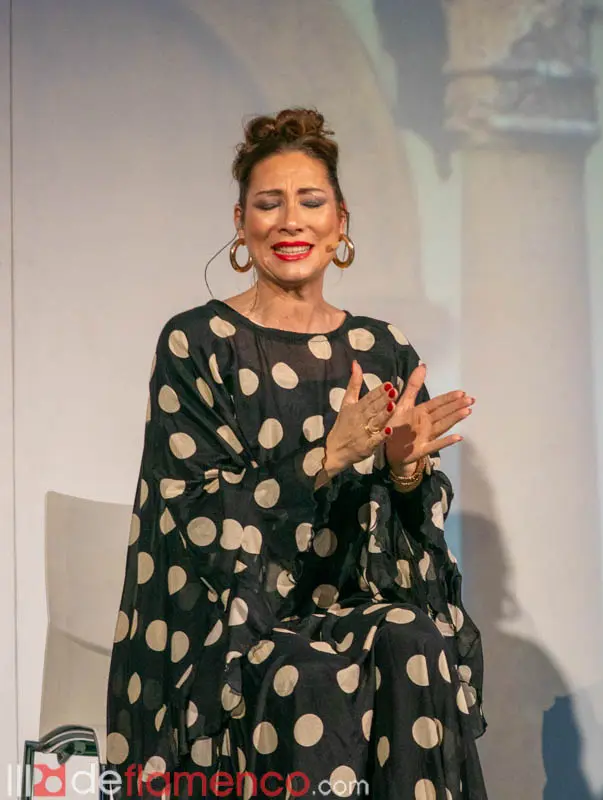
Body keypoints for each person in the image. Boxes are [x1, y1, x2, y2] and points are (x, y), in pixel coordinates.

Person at [105, 108, 487, 799]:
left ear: (341, 222)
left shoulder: (381, 350)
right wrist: (326, 458)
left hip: (348, 603)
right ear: (240, 223)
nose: (290, 221)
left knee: (413, 638)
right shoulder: (198, 343)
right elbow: (195, 517)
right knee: (305, 671)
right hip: (232, 621)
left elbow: (407, 551)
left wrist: (405, 475)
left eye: (311, 202)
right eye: (268, 203)